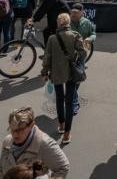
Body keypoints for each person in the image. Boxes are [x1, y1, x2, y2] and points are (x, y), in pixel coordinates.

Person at [42, 13, 87, 146]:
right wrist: (75, 59)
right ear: (68, 23)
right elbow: (83, 53)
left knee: (59, 99)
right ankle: (67, 133)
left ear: (58, 23)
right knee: (69, 102)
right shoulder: (75, 35)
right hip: (71, 73)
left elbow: (47, 58)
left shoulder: (51, 38)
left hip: (56, 73)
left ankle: (61, 126)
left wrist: (44, 72)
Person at [0, 107, 69, 179]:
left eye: (20, 130)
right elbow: (0, 170)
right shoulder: (7, 141)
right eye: (12, 130)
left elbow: (63, 167)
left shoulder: (45, 145)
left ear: (31, 125)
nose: (15, 135)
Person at [68, 3, 96, 115]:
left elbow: (93, 34)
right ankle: (74, 103)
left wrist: (90, 39)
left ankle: (71, 94)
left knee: (78, 78)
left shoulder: (86, 22)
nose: (73, 14)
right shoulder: (67, 22)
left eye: (76, 12)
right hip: (69, 56)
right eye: (72, 12)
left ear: (82, 13)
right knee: (71, 80)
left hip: (81, 56)